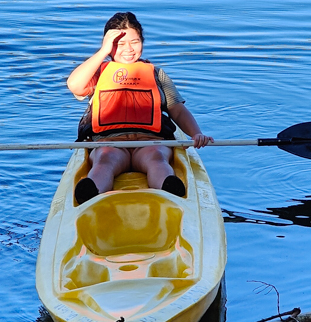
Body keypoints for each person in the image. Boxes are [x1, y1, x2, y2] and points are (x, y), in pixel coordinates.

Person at [67, 12, 212, 204]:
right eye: (120, 44)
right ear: (109, 45)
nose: (128, 49)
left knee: (157, 158)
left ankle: (169, 190)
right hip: (111, 143)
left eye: (134, 42)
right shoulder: (97, 73)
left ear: (142, 41)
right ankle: (90, 192)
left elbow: (177, 110)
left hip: (149, 142)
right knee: (104, 159)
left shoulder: (157, 74)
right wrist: (103, 51)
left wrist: (196, 134)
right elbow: (74, 85)